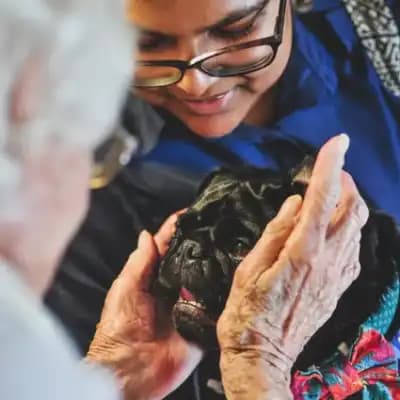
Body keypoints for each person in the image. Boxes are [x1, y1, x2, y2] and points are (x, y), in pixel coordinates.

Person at [0, 0, 370, 400]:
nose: (197, 84)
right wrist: (258, 363)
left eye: (235, 30)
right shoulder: (105, 196)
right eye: (147, 42)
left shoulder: (372, 42)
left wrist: (116, 379)